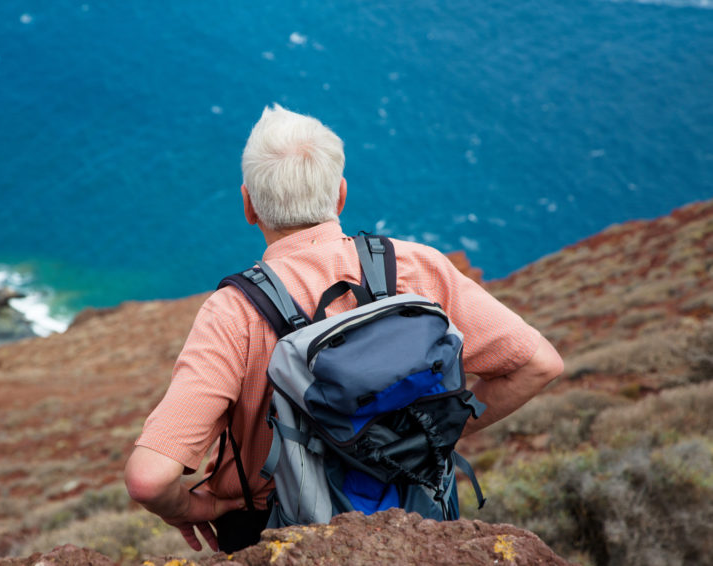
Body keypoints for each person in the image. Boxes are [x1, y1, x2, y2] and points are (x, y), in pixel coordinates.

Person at [124, 104, 564, 553]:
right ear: (340, 195)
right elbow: (538, 364)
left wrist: (193, 508)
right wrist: (423, 442)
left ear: (248, 206)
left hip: (277, 535)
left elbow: (148, 479)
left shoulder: (233, 313)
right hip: (415, 517)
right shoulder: (416, 267)